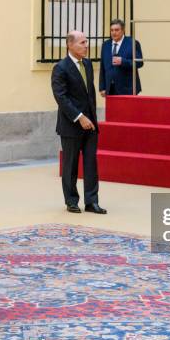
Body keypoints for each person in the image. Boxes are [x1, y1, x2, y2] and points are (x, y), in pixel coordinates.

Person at [52, 30, 106, 214]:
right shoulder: (60, 67)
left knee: (91, 164)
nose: (86, 46)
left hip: (90, 125)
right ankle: (71, 200)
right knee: (70, 165)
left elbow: (90, 94)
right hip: (71, 126)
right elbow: (61, 97)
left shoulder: (88, 64)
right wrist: (79, 117)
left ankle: (92, 201)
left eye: (86, 42)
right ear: (70, 45)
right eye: (82, 42)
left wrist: (92, 119)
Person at [99, 19, 143, 96]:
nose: (114, 33)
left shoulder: (132, 43)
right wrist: (102, 87)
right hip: (110, 89)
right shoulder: (105, 45)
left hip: (128, 89)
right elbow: (102, 67)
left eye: (116, 30)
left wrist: (123, 61)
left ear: (123, 30)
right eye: (112, 30)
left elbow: (139, 63)